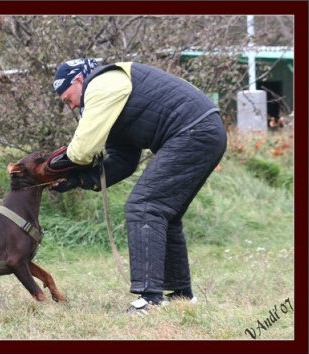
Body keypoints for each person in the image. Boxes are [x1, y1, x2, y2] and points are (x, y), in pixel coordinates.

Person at [45, 58, 227, 315]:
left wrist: (51, 167)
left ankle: (150, 300)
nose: (72, 105)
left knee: (144, 207)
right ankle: (181, 296)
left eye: (68, 99)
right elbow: (123, 160)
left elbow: (81, 150)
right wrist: (79, 180)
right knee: (165, 212)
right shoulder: (113, 98)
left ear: (78, 80)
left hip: (194, 131)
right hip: (206, 131)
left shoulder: (101, 83)